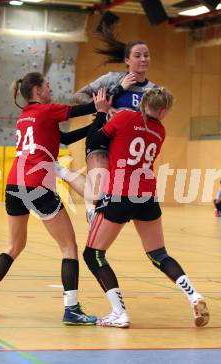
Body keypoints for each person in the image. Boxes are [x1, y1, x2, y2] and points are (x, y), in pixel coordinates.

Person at [0, 72, 109, 326]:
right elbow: (82, 108)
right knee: (69, 247)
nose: (51, 89)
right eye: (47, 86)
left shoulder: (25, 118)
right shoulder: (46, 111)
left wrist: (99, 122)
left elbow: (65, 139)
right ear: (36, 90)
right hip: (37, 184)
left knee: (14, 245)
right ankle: (72, 309)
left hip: (14, 184)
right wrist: (103, 108)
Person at [83, 88, 209, 328]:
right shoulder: (160, 130)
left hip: (120, 194)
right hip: (147, 196)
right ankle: (194, 295)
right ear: (162, 111)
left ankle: (119, 312)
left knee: (93, 254)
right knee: (159, 254)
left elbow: (95, 140)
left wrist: (102, 113)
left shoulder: (125, 117)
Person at [57, 25, 157, 218]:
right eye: (138, 55)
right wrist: (103, 107)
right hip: (102, 140)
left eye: (146, 55)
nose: (143, 59)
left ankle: (95, 215)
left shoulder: (153, 91)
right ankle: (63, 173)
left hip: (129, 149)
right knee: (98, 193)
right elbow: (79, 96)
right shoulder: (112, 79)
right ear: (127, 60)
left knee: (117, 198)